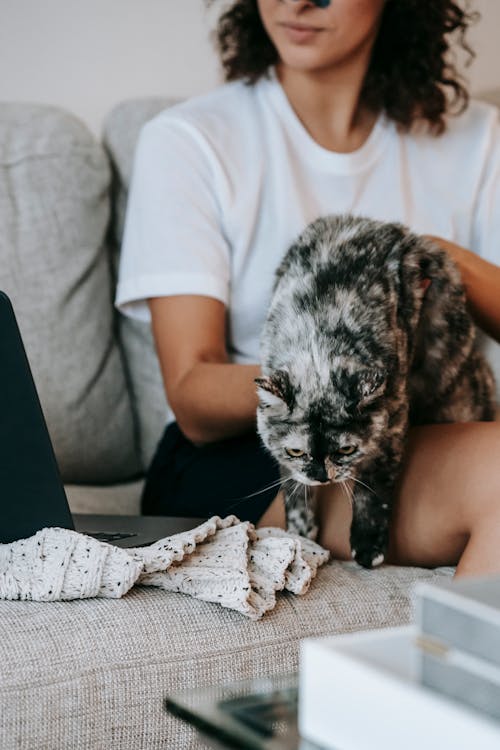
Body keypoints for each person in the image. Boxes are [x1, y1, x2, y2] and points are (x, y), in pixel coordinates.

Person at [116, 0, 500, 577]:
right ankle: (438, 669)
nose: (296, 2)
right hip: (256, 453)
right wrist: (334, 390)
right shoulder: (192, 139)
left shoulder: (474, 139)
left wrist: (442, 262)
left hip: (415, 436)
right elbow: (192, 393)